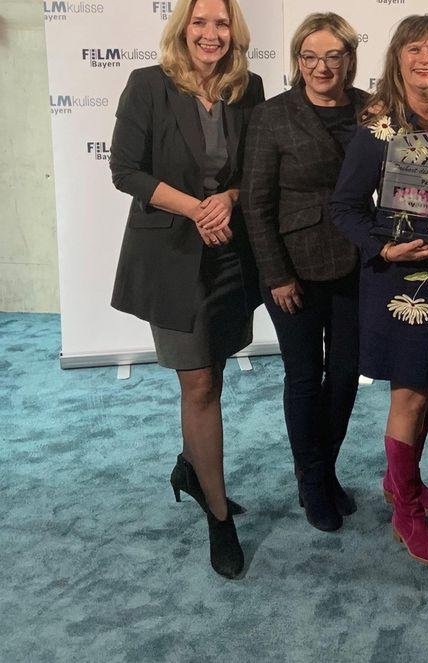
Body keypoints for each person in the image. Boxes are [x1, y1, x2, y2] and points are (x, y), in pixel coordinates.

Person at [328, 15, 428, 567]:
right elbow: (345, 207)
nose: (426, 59)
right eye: (414, 49)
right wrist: (383, 249)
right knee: (409, 395)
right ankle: (406, 512)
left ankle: (408, 484)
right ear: (396, 57)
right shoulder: (378, 126)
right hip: (399, 278)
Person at [109, 0, 264, 578]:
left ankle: (191, 468)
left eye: (221, 23)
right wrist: (198, 208)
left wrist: (227, 200)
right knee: (197, 383)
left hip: (228, 253)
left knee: (213, 369)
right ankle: (219, 517)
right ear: (182, 28)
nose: (211, 33)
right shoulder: (148, 85)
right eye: (199, 22)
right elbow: (127, 171)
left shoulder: (249, 88)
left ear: (234, 32)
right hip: (171, 255)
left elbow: (257, 169)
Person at [242, 13, 368, 533]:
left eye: (332, 56)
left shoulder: (371, 109)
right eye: (310, 56)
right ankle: (311, 480)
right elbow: (254, 203)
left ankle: (327, 468)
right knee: (303, 377)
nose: (321, 66)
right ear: (297, 61)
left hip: (358, 260)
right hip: (292, 268)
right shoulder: (272, 116)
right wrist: (275, 275)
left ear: (348, 60)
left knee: (343, 377)